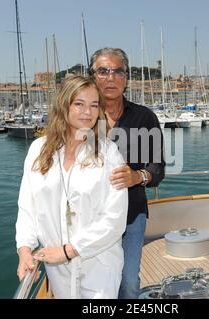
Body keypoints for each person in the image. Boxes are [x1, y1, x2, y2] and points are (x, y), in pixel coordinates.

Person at [15, 75, 128, 299]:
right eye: (79, 103)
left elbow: (115, 218)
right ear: (63, 105)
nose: (88, 111)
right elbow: (27, 206)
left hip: (99, 265)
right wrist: (24, 249)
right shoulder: (38, 150)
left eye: (94, 105)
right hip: (58, 269)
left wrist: (69, 251)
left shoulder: (109, 154)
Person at [89, 48, 166, 299]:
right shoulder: (82, 116)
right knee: (96, 282)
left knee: (129, 281)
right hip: (90, 217)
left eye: (117, 71)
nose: (110, 78)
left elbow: (158, 167)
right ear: (93, 77)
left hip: (132, 213)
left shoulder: (144, 117)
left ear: (127, 76)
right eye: (103, 71)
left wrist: (138, 177)